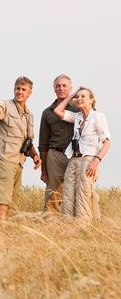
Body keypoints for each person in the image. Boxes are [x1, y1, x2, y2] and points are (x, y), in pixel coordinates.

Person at [0, 76, 41, 220]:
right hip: (4, 160)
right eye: (18, 88)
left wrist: (35, 155)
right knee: (2, 202)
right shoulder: (4, 105)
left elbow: (27, 140)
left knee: (12, 204)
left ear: (30, 93)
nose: (20, 92)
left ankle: (7, 236)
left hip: (18, 163)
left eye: (24, 89)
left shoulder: (29, 116)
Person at [54, 86, 110, 223]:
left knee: (83, 194)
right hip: (73, 158)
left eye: (83, 96)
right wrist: (71, 95)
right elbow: (58, 111)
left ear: (91, 100)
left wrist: (96, 162)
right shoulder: (77, 116)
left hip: (89, 159)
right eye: (77, 97)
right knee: (67, 193)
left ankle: (82, 227)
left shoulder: (97, 116)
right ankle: (67, 225)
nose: (79, 99)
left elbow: (107, 142)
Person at [38, 74, 78, 213]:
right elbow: (43, 143)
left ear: (71, 88)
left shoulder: (80, 108)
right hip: (55, 155)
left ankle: (84, 224)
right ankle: (50, 222)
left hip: (77, 155)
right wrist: (43, 169)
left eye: (64, 85)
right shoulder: (47, 112)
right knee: (53, 191)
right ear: (54, 89)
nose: (61, 88)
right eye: (58, 86)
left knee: (80, 190)